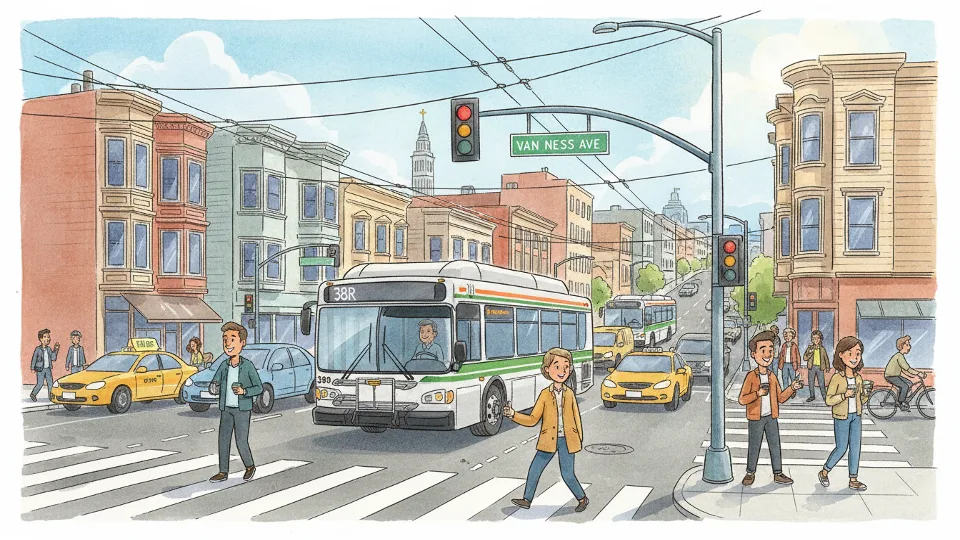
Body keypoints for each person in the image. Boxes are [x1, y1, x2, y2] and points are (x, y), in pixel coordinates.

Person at [504, 347, 589, 513]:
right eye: (557, 367)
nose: (562, 371)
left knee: (567, 474)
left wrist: (578, 438)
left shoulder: (569, 393)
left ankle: (582, 498)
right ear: (547, 370)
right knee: (535, 468)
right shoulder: (544, 394)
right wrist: (514, 414)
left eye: (566, 367)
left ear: (570, 370)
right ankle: (527, 499)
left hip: (567, 440)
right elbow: (533, 419)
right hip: (548, 439)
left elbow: (576, 417)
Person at [738, 330, 803, 487]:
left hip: (771, 417)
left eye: (770, 350)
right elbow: (742, 399)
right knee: (754, 445)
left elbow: (780, 397)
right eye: (763, 350)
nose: (768, 354)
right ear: (754, 354)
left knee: (775, 444)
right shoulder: (751, 377)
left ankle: (778, 473)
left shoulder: (772, 376)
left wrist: (792, 387)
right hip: (756, 418)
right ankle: (750, 472)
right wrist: (757, 393)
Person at [209, 322, 263, 483]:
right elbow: (214, 383)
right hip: (226, 408)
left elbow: (258, 387)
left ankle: (250, 466)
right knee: (223, 439)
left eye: (232, 339)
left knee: (241, 439)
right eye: (225, 339)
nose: (227, 343)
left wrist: (244, 391)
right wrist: (214, 387)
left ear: (242, 343)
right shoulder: (224, 366)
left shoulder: (247, 366)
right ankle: (223, 471)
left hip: (242, 409)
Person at [819, 336, 870, 491]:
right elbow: (828, 400)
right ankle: (824, 471)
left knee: (855, 447)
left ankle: (853, 479)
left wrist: (866, 394)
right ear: (841, 354)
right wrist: (844, 395)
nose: (854, 358)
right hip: (842, 417)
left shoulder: (859, 378)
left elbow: (861, 399)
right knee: (841, 448)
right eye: (850, 353)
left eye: (858, 354)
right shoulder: (837, 378)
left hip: (856, 417)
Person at [884, 336, 926, 411]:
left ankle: (901, 399)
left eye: (909, 344)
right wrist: (918, 373)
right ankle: (900, 402)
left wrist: (912, 375)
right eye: (907, 345)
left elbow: (904, 369)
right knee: (905, 386)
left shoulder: (900, 356)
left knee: (909, 383)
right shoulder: (899, 356)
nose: (909, 347)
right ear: (901, 346)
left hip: (895, 375)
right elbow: (907, 368)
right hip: (891, 376)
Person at [29, 329, 59, 402]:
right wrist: (32, 368)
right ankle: (33, 394)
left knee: (50, 383)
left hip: (48, 369)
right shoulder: (38, 349)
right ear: (41, 339)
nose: (47, 339)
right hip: (40, 369)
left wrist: (56, 349)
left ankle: (50, 396)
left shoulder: (49, 349)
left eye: (48, 337)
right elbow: (34, 358)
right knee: (40, 383)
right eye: (45, 337)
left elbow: (53, 358)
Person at [803, 330, 830, 402]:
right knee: (811, 382)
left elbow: (826, 358)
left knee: (821, 383)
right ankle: (812, 396)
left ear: (820, 339)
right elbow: (805, 358)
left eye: (817, 338)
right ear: (812, 339)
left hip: (820, 368)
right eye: (814, 338)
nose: (816, 340)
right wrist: (810, 353)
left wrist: (827, 367)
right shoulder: (810, 348)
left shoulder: (822, 349)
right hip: (811, 367)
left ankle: (824, 396)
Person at [779, 328, 801, 398]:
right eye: (786, 336)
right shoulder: (784, 345)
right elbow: (781, 354)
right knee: (785, 378)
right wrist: (780, 363)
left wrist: (798, 364)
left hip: (792, 364)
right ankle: (786, 392)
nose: (787, 338)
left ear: (792, 337)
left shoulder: (794, 346)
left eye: (789, 336)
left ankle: (793, 392)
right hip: (785, 364)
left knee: (793, 379)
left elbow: (797, 355)